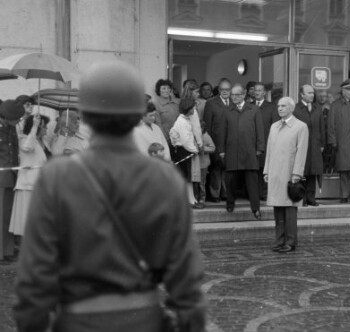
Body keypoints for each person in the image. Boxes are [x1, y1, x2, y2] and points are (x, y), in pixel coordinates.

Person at [14, 61, 206, 332]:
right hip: (142, 320)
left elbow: (35, 275)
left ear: (87, 116)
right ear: (137, 113)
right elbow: (185, 279)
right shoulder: (163, 179)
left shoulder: (57, 177)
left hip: (78, 321)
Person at [264, 97, 308, 253]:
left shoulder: (300, 127)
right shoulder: (274, 127)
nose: (280, 108)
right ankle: (279, 240)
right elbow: (269, 150)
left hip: (289, 174)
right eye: (278, 106)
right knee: (278, 209)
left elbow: (301, 152)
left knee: (289, 209)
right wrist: (267, 170)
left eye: (283, 106)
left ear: (291, 108)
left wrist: (297, 173)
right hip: (276, 173)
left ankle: (290, 241)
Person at [220, 83, 264, 219]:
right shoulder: (227, 110)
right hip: (232, 150)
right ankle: (230, 202)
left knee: (252, 180)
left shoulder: (254, 109)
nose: (234, 97)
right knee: (230, 179)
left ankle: (255, 208)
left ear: (244, 94)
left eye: (237, 94)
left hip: (249, 150)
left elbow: (260, 131)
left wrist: (260, 148)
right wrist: (221, 150)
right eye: (232, 95)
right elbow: (222, 132)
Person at [9, 114, 50, 237]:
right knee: (26, 221)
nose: (46, 129)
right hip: (27, 185)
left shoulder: (41, 142)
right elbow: (27, 147)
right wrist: (35, 126)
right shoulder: (23, 138)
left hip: (38, 186)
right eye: (44, 127)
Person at [0, 100, 24, 261]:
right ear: (7, 117)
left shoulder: (11, 128)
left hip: (11, 177)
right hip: (1, 178)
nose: (19, 121)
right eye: (17, 118)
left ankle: (7, 251)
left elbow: (14, 151)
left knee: (7, 216)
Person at [294, 84, 325, 206]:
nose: (312, 95)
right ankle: (302, 198)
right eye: (309, 93)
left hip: (315, 145)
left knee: (313, 172)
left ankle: (311, 197)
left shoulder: (317, 109)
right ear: (302, 95)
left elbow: (322, 127)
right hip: (302, 145)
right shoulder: (296, 109)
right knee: (303, 173)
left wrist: (322, 143)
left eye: (313, 93)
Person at [203, 78, 233, 202]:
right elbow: (207, 125)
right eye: (222, 89)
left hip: (231, 142)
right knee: (216, 168)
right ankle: (215, 194)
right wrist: (209, 142)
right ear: (219, 90)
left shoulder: (235, 102)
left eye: (227, 89)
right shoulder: (211, 103)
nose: (225, 91)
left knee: (228, 168)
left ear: (231, 90)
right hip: (216, 140)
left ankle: (226, 193)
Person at [170, 98, 203, 209]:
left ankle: (192, 199)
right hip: (183, 151)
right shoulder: (182, 122)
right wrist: (195, 150)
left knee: (188, 178)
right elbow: (186, 141)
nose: (194, 109)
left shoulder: (186, 119)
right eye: (192, 108)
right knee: (186, 178)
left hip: (185, 151)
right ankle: (189, 201)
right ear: (188, 109)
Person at [254, 81, 280, 201]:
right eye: (255, 90)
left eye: (260, 90)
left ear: (264, 92)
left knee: (265, 169)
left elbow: (275, 126)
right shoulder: (248, 105)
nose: (257, 92)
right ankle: (252, 193)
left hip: (266, 143)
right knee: (253, 170)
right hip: (251, 144)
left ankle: (264, 194)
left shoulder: (271, 107)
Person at [195, 121, 215, 208]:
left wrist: (203, 148)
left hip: (203, 164)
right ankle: (195, 199)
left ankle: (202, 200)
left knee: (201, 183)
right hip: (196, 163)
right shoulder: (194, 136)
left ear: (203, 129)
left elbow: (213, 148)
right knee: (195, 182)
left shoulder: (206, 137)